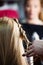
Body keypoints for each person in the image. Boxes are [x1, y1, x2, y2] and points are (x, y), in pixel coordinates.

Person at [21, 0, 43, 65]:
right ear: (24, 7)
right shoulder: (18, 26)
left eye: (35, 6)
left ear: (40, 8)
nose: (31, 10)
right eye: (28, 6)